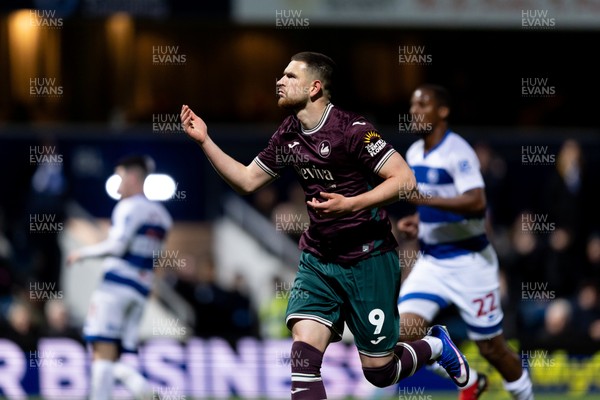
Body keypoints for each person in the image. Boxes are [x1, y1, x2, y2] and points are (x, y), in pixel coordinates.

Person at [181, 52, 470, 399]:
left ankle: (436, 346)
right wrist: (205, 142)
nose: (279, 81)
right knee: (303, 357)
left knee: (380, 372)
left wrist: (351, 204)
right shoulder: (288, 134)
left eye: (289, 76)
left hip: (369, 259)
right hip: (318, 258)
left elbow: (405, 180)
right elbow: (246, 180)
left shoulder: (352, 130)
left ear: (314, 87)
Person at [395, 84, 534, 400]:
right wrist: (419, 221)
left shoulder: (459, 151)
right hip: (431, 262)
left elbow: (476, 203)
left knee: (492, 349)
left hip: (471, 263)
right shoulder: (414, 153)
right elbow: (434, 203)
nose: (415, 111)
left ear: (442, 111)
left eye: (423, 104)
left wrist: (425, 200)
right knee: (400, 334)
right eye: (413, 105)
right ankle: (467, 378)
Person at [67, 155, 173, 400]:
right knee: (114, 354)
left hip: (115, 287)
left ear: (133, 178)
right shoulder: (163, 215)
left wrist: (82, 253)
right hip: (141, 291)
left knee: (100, 350)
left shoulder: (128, 207)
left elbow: (117, 246)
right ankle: (141, 389)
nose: (116, 184)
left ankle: (128, 392)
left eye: (120, 177)